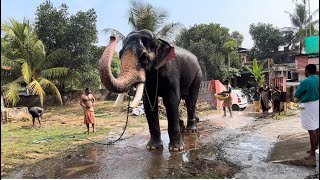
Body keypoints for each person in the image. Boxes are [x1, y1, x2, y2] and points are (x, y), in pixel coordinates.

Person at [294, 64, 319, 160]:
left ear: (307, 71)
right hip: (318, 104)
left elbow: (296, 95)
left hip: (308, 105)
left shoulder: (305, 81)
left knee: (311, 129)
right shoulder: (318, 80)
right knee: (317, 126)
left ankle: (313, 153)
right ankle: (315, 149)